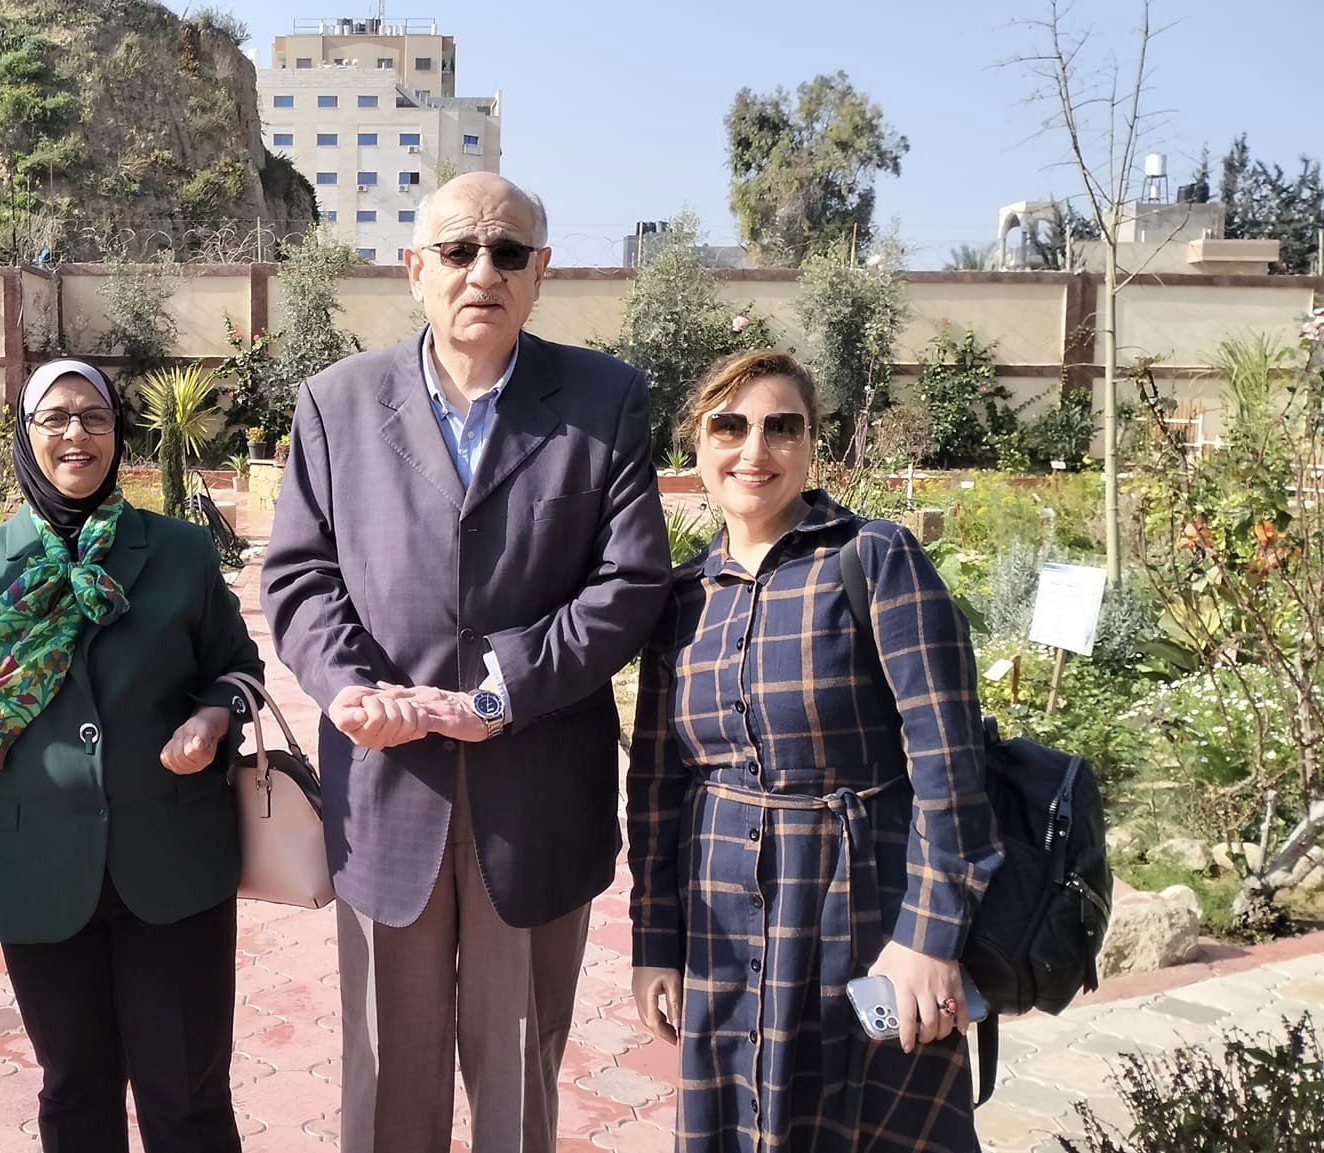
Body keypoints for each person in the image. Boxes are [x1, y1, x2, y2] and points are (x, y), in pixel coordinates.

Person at [261, 172, 672, 1153]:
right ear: (415, 269)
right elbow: (299, 576)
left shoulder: (603, 401)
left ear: (540, 272)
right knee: (385, 1088)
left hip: (534, 800)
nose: (481, 270)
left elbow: (628, 582)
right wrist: (349, 686)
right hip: (383, 791)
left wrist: (501, 693)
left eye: (506, 251)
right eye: (457, 250)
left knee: (515, 1088)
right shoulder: (335, 404)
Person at [626, 349, 1004, 1152]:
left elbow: (949, 762)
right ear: (697, 443)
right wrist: (654, 945)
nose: (754, 449)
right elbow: (656, 790)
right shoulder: (680, 600)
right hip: (722, 925)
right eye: (730, 426)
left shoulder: (873, 559)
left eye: (781, 427)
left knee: (868, 1124)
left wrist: (930, 937)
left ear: (811, 443)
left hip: (863, 915)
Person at [0, 359, 263, 1153]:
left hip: (173, 864)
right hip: (35, 870)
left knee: (189, 1096)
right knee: (74, 1090)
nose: (77, 434)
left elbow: (240, 670)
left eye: (94, 416)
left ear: (117, 432)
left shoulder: (178, 552)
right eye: (56, 418)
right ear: (25, 436)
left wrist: (212, 718)